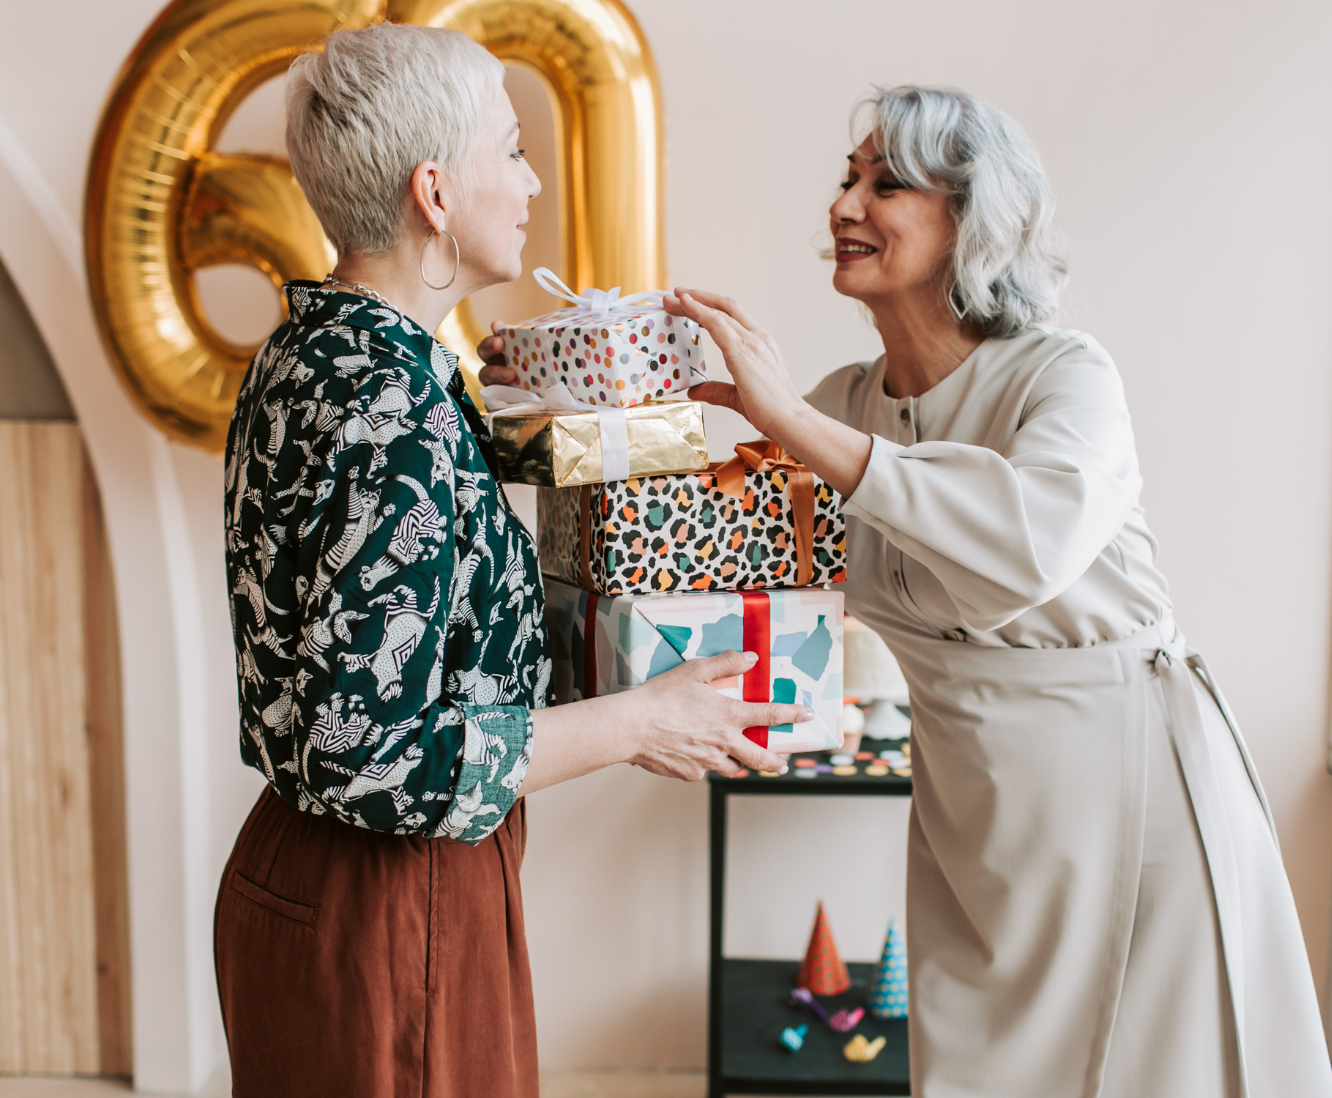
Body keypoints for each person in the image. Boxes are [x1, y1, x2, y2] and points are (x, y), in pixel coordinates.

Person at [487, 85, 1332, 1097]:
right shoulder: (846, 404)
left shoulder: (1065, 377)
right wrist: (563, 392)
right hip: (973, 809)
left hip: (1128, 786)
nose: (846, 205)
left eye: (887, 183)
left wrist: (792, 420)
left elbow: (1030, 544)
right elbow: (736, 557)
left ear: (972, 221)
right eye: (848, 178)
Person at [216, 23, 806, 1098]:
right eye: (514, 148)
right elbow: (372, 754)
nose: (533, 182)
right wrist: (642, 721)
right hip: (390, 904)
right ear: (435, 194)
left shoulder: (323, 351)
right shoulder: (385, 403)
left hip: (325, 883)